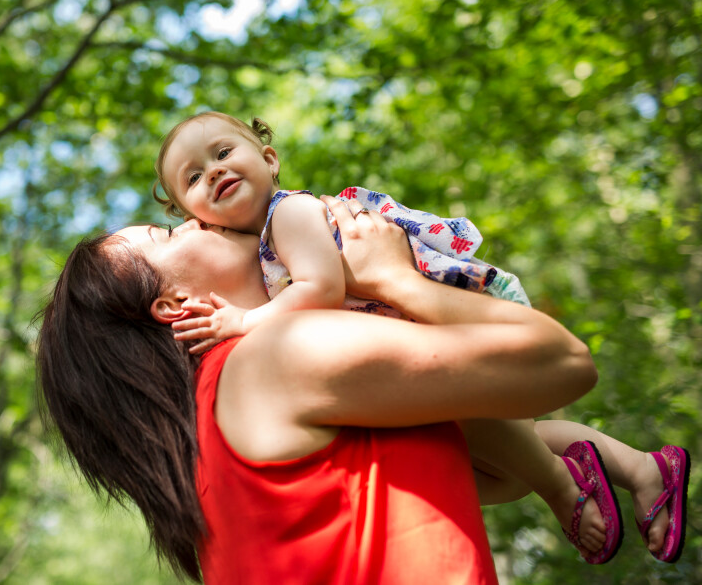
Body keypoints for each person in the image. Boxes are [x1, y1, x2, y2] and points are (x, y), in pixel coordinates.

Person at [151, 111, 690, 565]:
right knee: (498, 443)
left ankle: (561, 487)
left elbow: (321, 285)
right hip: (411, 321)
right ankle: (642, 467)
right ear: (196, 218)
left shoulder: (287, 214)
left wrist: (244, 322)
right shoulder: (267, 247)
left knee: (482, 428)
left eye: (223, 151)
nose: (214, 170)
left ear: (269, 159)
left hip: (437, 305)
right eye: (194, 177)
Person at [37, 199, 604, 582]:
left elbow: (501, 476)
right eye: (167, 233)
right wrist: (395, 280)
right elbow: (564, 363)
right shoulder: (275, 356)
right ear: (172, 306)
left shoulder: (213, 445)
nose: (195, 218)